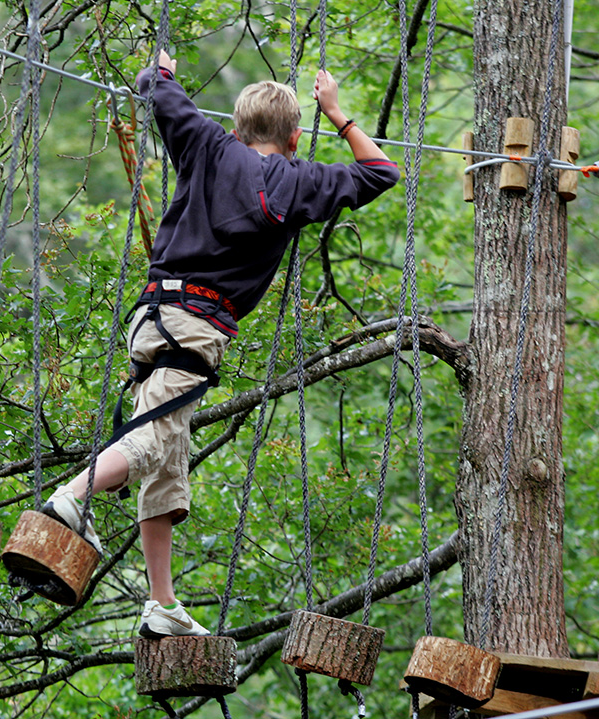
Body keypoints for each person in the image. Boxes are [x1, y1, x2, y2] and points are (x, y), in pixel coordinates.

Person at [42, 50, 399, 638]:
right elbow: (381, 172)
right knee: (156, 440)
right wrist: (337, 113)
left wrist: (163, 68)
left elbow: (155, 87)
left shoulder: (207, 144)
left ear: (236, 128)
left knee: (167, 465)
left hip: (153, 315)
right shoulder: (301, 181)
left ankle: (161, 604)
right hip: (195, 326)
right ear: (293, 138)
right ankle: (74, 498)